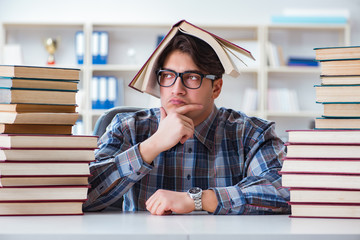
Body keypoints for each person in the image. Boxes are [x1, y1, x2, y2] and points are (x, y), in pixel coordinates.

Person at [83, 32, 290, 215]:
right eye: (168, 76)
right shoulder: (128, 128)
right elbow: (81, 194)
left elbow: (285, 190)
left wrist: (199, 200)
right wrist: (152, 146)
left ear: (216, 88)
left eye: (191, 77)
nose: (176, 89)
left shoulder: (253, 134)